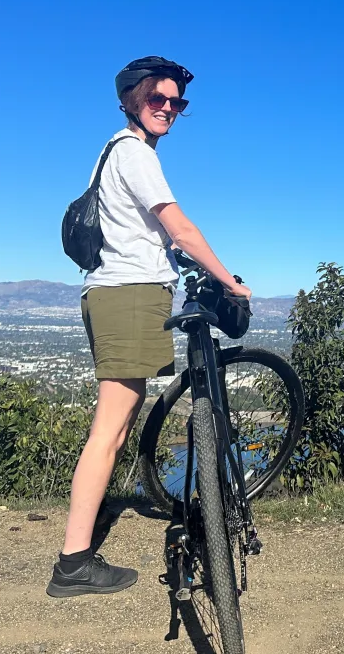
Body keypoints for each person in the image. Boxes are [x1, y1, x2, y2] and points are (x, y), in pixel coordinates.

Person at [47, 56, 252, 598]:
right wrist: (229, 280)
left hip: (125, 292)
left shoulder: (116, 154)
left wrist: (177, 265)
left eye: (176, 102)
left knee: (116, 425)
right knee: (109, 431)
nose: (167, 109)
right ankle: (72, 563)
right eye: (156, 99)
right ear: (132, 101)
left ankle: (75, 555)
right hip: (127, 297)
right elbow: (179, 228)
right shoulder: (135, 155)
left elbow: (146, 237)